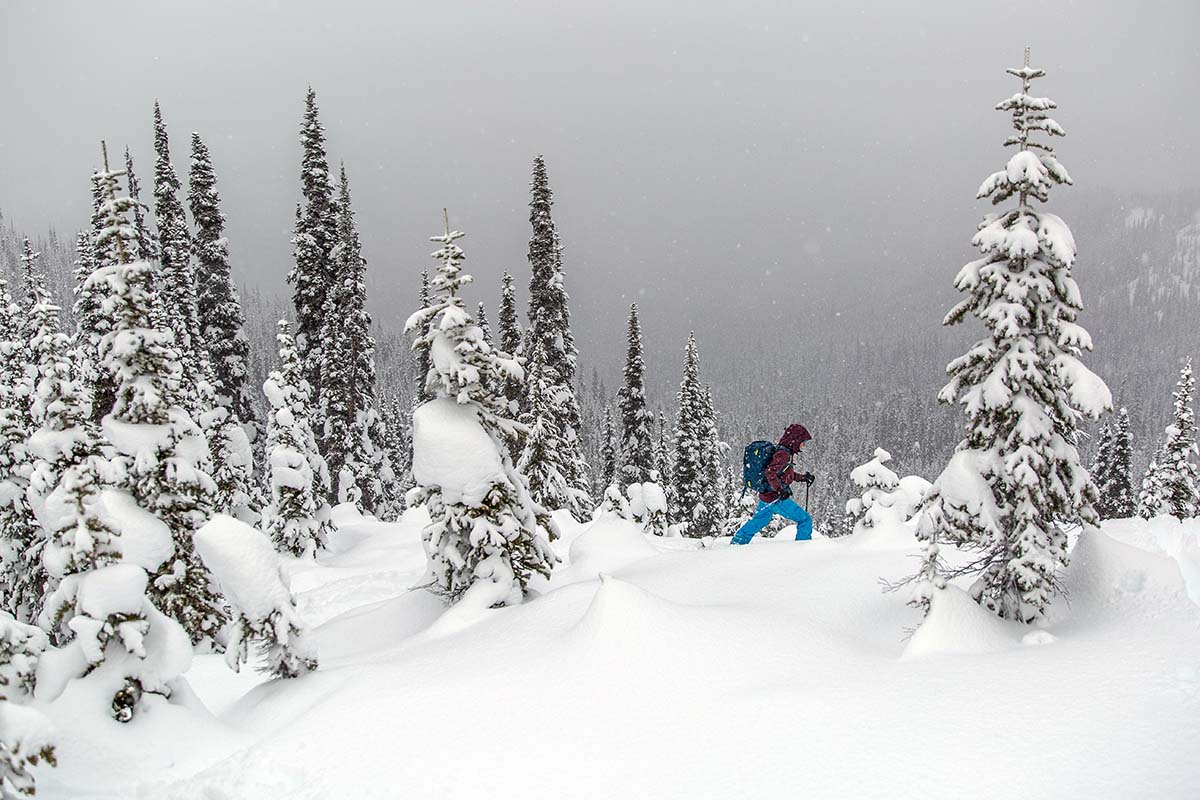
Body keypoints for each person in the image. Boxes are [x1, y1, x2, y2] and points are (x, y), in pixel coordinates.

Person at [731, 423, 815, 545]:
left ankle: (738, 541)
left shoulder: (783, 451)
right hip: (775, 498)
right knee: (805, 520)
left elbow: (784, 473)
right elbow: (770, 472)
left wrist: (802, 478)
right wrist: (779, 490)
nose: (803, 445)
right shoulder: (784, 454)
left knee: (759, 521)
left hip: (766, 495)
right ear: (795, 440)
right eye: (803, 442)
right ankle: (801, 548)